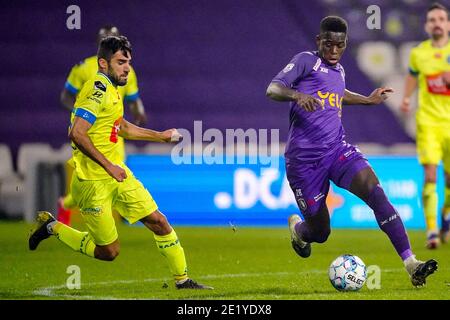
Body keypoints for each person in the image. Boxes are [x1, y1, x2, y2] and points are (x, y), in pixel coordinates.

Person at [266, 16, 438, 287]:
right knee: (320, 232)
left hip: (337, 150)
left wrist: (367, 100)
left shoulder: (339, 70)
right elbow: (273, 89)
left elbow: (339, 92)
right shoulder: (305, 61)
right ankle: (299, 231)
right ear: (318, 41)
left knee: (374, 190)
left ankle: (411, 263)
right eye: (329, 44)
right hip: (304, 162)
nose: (334, 51)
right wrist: (297, 95)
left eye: (340, 45)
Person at [29, 35, 211, 290]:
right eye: (121, 62)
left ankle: (183, 281)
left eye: (129, 62)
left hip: (119, 175)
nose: (127, 67)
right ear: (103, 64)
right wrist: (108, 166)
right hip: (94, 182)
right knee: (109, 252)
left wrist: (160, 136)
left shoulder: (114, 89)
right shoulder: (97, 90)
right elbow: (77, 133)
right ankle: (53, 227)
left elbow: (121, 126)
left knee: (159, 221)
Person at [58, 25, 147, 226]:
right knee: (95, 172)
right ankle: (77, 210)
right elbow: (66, 96)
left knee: (114, 172)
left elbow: (133, 97)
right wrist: (82, 113)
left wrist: (138, 112)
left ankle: (70, 204)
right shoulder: (83, 68)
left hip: (115, 130)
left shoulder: (127, 69)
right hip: (91, 131)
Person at [400, 2, 450, 249]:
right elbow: (412, 74)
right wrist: (407, 97)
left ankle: (446, 221)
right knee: (430, 174)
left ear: (448, 24)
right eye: (432, 20)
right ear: (427, 25)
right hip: (428, 122)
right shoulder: (418, 53)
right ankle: (432, 230)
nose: (437, 23)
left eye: (441, 19)